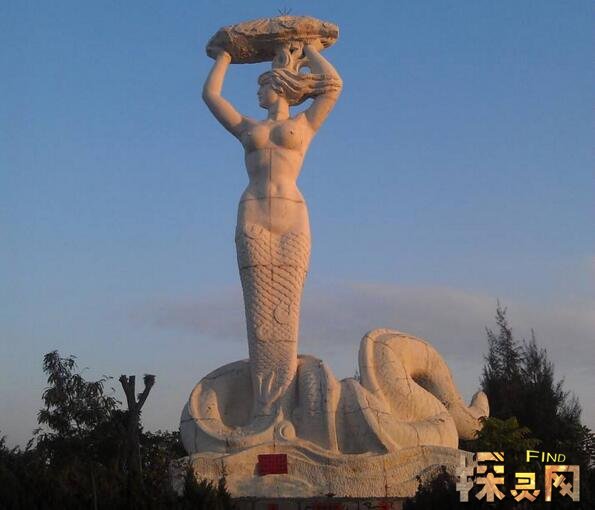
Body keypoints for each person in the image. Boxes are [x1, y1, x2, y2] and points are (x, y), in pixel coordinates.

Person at [202, 41, 342, 415]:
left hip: (292, 216)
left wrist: (310, 47)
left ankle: (284, 407)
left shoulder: (304, 124)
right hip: (253, 214)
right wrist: (225, 57)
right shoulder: (247, 127)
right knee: (260, 310)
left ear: (278, 86)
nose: (257, 94)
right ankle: (264, 409)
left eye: (262, 86)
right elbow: (211, 96)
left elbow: (333, 85)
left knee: (286, 308)